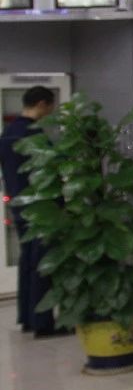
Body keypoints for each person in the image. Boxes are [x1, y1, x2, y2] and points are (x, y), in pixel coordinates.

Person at [0, 86, 57, 335]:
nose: (51, 111)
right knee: (42, 263)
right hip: (40, 205)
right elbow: (49, 168)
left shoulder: (8, 132)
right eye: (51, 106)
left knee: (27, 260)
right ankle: (43, 323)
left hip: (19, 204)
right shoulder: (33, 134)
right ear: (42, 104)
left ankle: (27, 318)